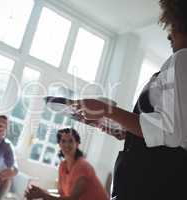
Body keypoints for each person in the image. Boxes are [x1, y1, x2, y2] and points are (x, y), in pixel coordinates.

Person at [71, 0, 187, 199]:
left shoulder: (182, 59)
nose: (169, 34)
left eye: (174, 27)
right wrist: (125, 131)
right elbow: (174, 132)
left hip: (153, 184)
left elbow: (170, 131)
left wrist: (106, 109)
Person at [25, 128, 108, 200]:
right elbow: (61, 193)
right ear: (59, 144)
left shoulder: (83, 166)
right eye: (63, 141)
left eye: (71, 141)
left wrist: (43, 195)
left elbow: (72, 198)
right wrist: (42, 191)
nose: (67, 145)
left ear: (77, 143)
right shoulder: (63, 166)